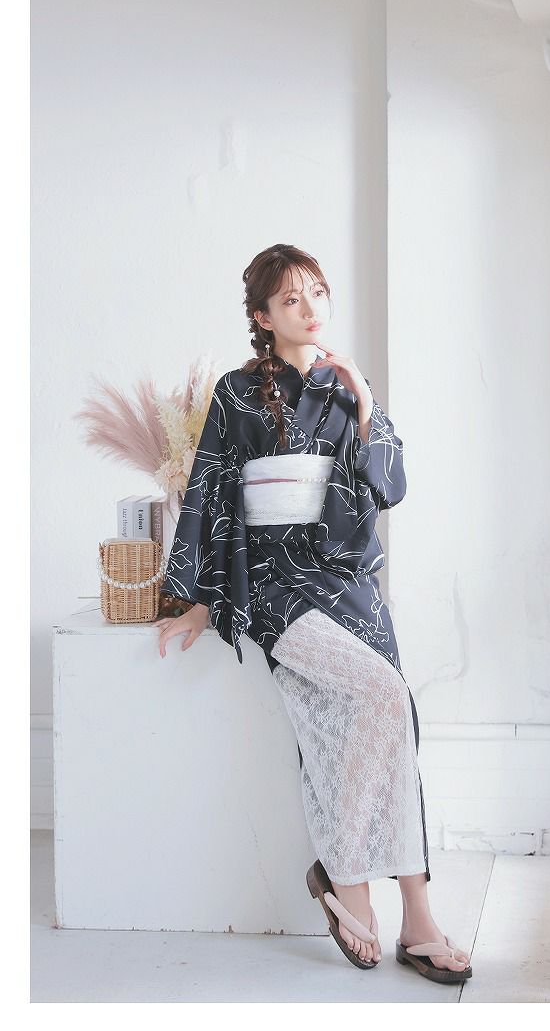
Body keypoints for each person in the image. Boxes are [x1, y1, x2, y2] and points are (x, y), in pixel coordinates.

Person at [154, 244, 472, 983]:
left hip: (347, 581)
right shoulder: (237, 393)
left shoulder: (346, 385)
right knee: (384, 694)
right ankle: (346, 877)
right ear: (263, 317)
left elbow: (390, 485)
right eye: (291, 299)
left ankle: (416, 916)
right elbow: (209, 486)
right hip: (276, 584)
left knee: (393, 720)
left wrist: (364, 402)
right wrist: (199, 599)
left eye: (317, 292)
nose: (310, 307)